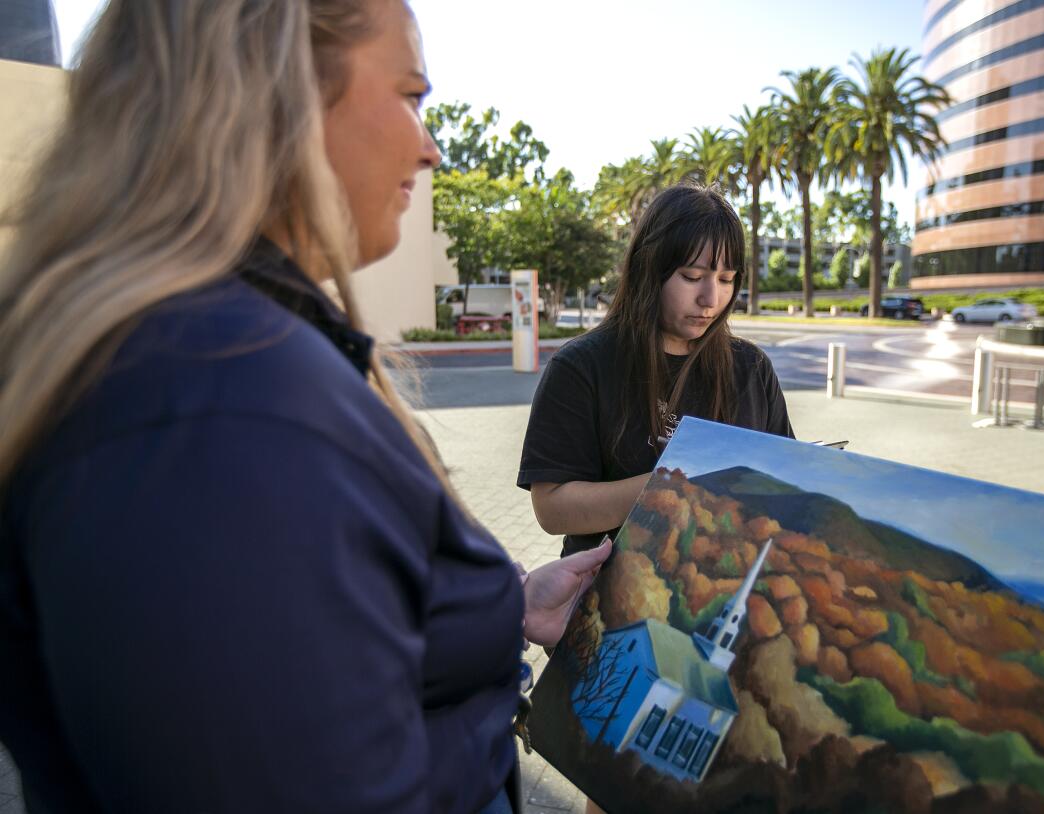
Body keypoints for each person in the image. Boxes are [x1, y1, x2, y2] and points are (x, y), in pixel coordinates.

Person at [0, 2, 609, 813]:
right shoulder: (216, 405)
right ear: (280, 88)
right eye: (411, 94)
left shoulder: (203, 357)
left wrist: (503, 606)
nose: (430, 147)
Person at [518, 183, 795, 556]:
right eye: (692, 277)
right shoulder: (581, 367)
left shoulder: (752, 368)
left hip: (727, 584)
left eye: (727, 280)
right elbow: (552, 508)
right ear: (649, 268)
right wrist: (670, 488)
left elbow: (785, 474)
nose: (711, 299)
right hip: (613, 600)